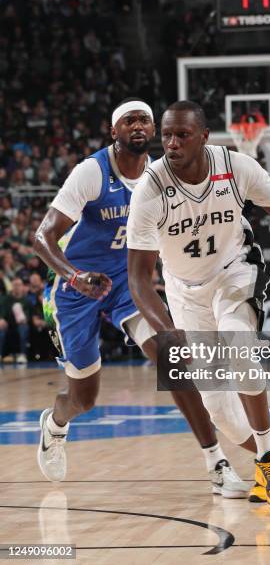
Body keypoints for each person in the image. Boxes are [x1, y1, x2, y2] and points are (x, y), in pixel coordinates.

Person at [127, 100, 270, 507]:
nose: (172, 143)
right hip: (183, 291)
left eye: (182, 135)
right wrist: (168, 332)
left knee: (239, 343)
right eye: (166, 135)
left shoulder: (234, 166)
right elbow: (138, 278)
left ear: (204, 137)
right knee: (222, 413)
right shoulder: (150, 189)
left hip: (235, 269)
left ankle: (268, 458)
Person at [33, 98, 249, 497]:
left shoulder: (161, 176)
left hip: (128, 285)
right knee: (84, 398)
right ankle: (56, 423)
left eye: (145, 120)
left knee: (173, 356)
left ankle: (216, 463)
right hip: (77, 289)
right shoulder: (91, 173)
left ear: (153, 131)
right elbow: (42, 236)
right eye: (129, 120)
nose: (138, 126)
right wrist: (75, 276)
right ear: (113, 131)